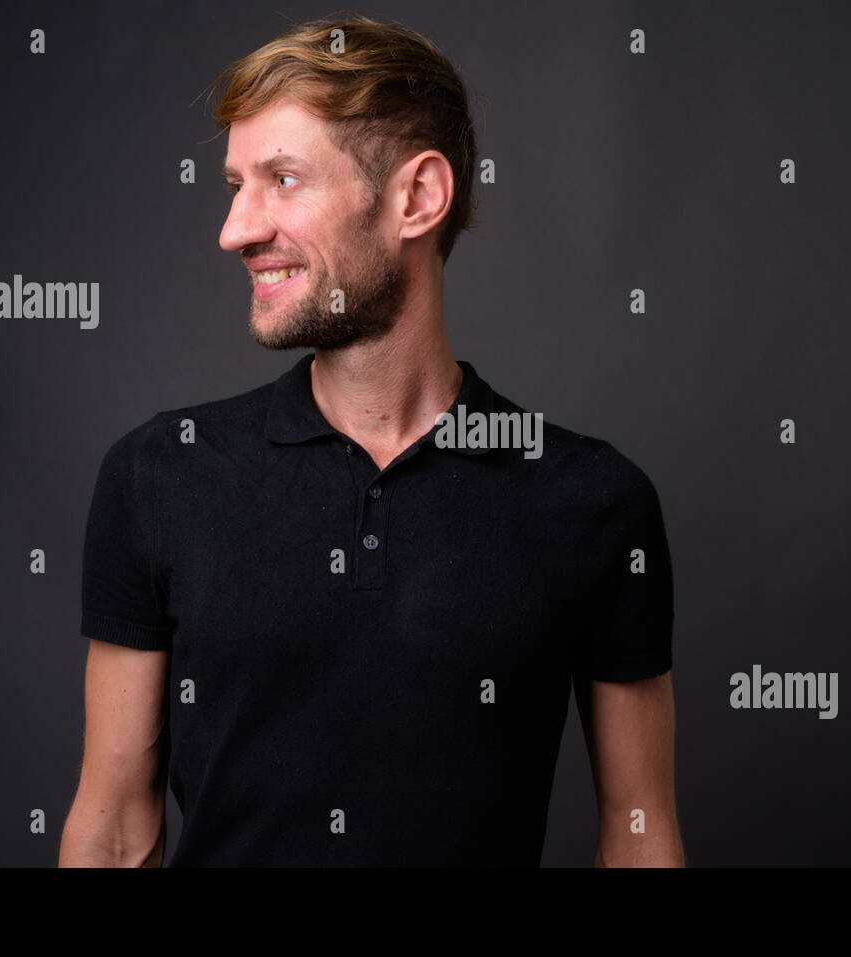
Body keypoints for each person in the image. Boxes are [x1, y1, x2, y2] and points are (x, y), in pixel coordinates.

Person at [58, 12, 683, 867]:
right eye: (235, 184)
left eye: (282, 178)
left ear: (417, 197)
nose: (236, 229)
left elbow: (640, 832)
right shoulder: (160, 475)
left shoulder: (593, 500)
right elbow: (114, 828)